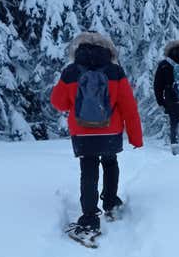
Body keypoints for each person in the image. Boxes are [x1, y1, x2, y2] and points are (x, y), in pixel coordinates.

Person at [51, 32, 143, 242]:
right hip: (110, 130)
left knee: (89, 169)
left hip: (83, 132)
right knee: (110, 163)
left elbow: (58, 102)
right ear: (107, 49)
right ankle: (111, 203)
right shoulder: (115, 71)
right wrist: (136, 137)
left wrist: (74, 103)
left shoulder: (71, 71)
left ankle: (90, 218)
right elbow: (129, 107)